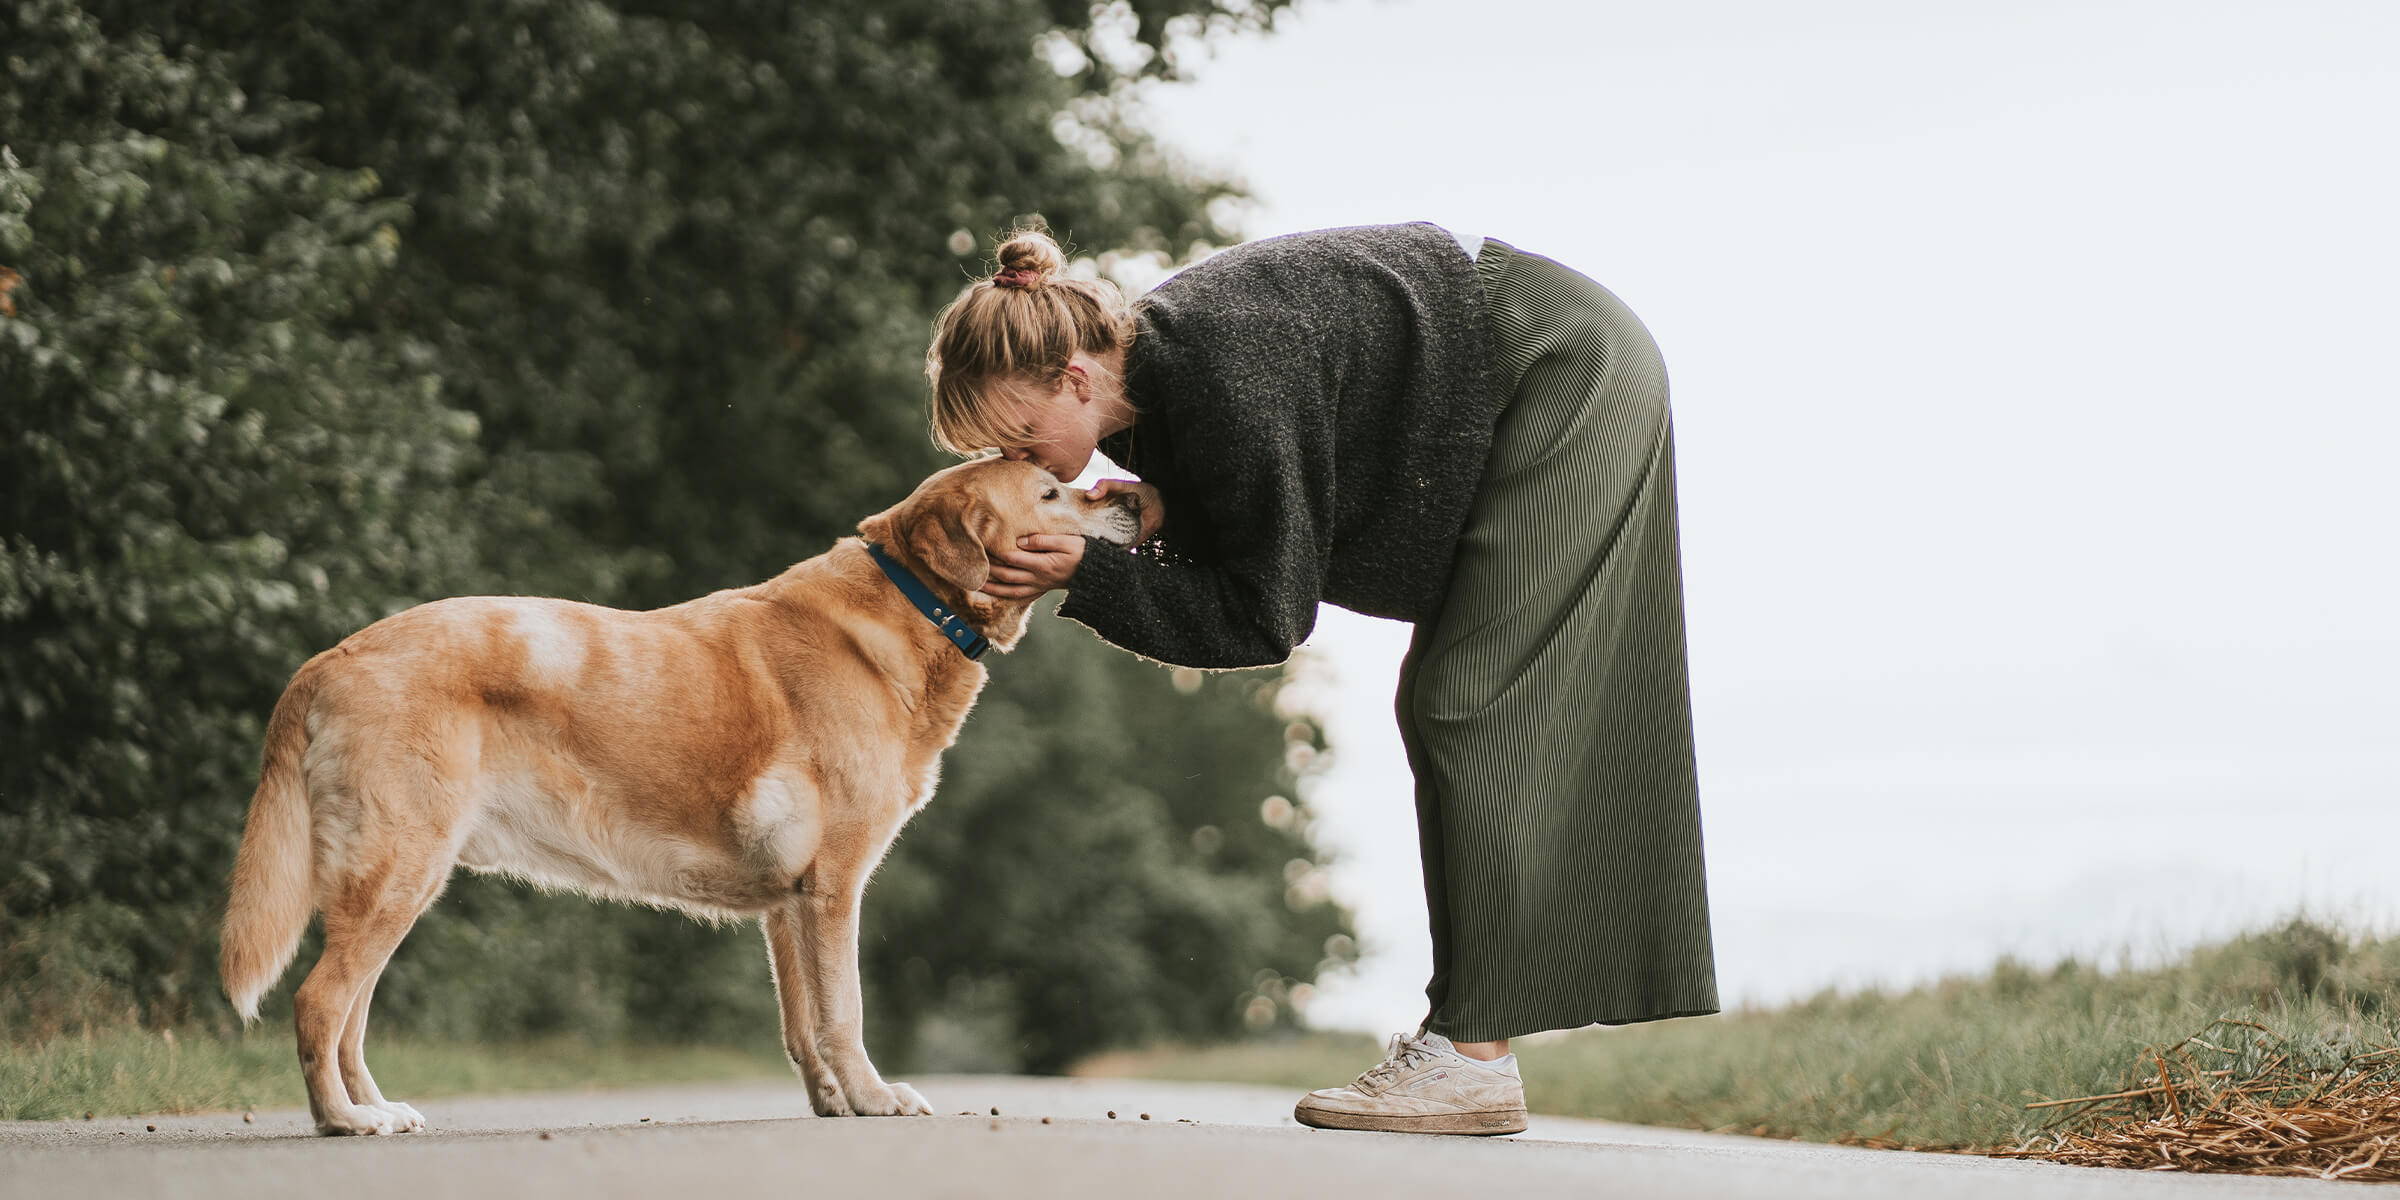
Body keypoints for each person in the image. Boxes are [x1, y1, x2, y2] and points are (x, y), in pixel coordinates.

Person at [922, 220, 1719, 1136]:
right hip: (1529, 358)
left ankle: (1470, 1059)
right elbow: (1271, 499)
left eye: (1020, 437)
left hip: (1561, 362)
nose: (1018, 465)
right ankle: (1468, 1047)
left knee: (1468, 700)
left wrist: (1088, 570)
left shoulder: (1218, 365)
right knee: (1446, 703)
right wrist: (1142, 522)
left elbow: (1265, 612)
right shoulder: (1164, 378)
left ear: (1074, 377)